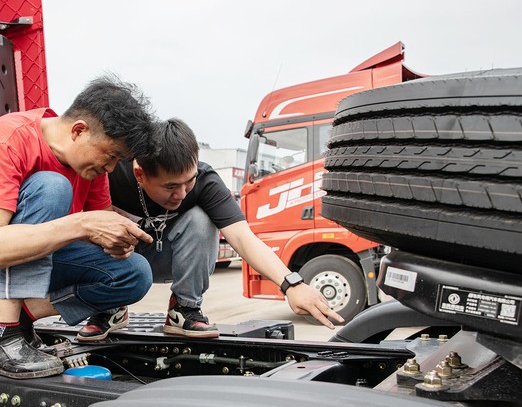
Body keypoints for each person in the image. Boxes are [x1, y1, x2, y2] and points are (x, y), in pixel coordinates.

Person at [0, 76, 155, 379]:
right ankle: (2, 338)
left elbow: (97, 225)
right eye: (110, 157)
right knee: (51, 188)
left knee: (133, 273)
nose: (110, 169)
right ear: (78, 130)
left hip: (18, 264)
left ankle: (21, 322)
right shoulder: (8, 139)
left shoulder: (90, 167)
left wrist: (116, 238)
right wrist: (82, 223)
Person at [77, 118, 343, 341]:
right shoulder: (112, 174)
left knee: (201, 218)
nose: (181, 193)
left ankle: (184, 309)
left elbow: (242, 236)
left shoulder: (206, 182)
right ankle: (110, 307)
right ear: (140, 174)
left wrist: (291, 284)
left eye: (188, 181)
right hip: (126, 260)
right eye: (170, 186)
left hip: (172, 258)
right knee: (99, 220)